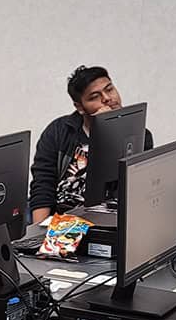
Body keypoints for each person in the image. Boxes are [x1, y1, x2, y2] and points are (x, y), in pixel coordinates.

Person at [28, 65, 154, 223]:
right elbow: (43, 184)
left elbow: (133, 192)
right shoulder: (58, 132)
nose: (107, 98)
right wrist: (38, 232)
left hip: (108, 221)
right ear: (79, 107)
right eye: (95, 96)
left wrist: (109, 133)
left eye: (109, 89)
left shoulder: (140, 135)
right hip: (62, 221)